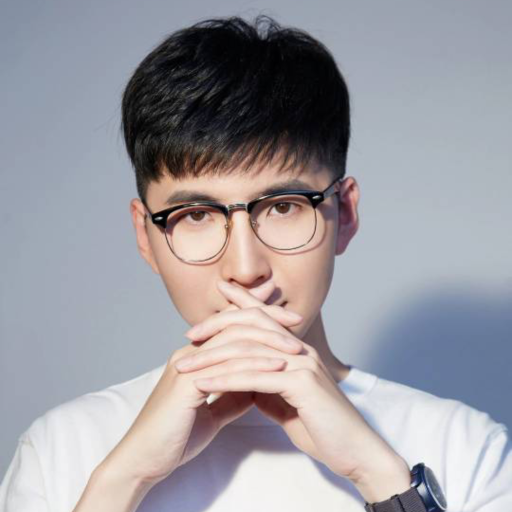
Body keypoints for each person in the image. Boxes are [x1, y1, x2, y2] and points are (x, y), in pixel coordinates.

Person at [1, 14, 510, 512]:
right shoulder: (62, 450)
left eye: (283, 206)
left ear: (345, 214)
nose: (245, 269)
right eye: (195, 214)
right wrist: (123, 479)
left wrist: (381, 478)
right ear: (145, 236)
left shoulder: (466, 447)